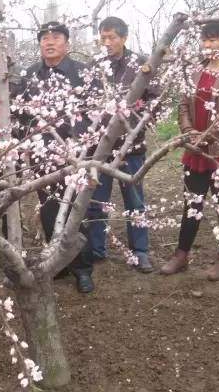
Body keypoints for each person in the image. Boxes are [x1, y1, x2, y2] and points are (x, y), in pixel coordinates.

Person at [159, 22, 219, 281]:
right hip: (195, 147)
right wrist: (189, 132)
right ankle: (181, 254)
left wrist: (207, 137)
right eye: (205, 40)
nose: (208, 45)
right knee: (192, 202)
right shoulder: (196, 70)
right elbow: (184, 103)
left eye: (214, 40)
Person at [23, 21, 95, 293]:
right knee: (50, 207)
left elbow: (94, 113)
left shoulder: (82, 73)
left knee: (78, 210)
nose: (49, 42)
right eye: (44, 38)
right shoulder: (31, 75)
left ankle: (82, 267)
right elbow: (22, 115)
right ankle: (58, 265)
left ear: (67, 43)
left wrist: (77, 140)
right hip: (43, 153)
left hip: (75, 153)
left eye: (55, 37)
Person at [87, 17, 156, 272]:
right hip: (101, 145)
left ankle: (140, 251)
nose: (107, 43)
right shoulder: (95, 65)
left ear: (124, 38)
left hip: (131, 146)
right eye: (103, 38)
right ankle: (96, 249)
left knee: (135, 199)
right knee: (97, 199)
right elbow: (85, 103)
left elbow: (154, 102)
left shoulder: (139, 65)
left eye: (112, 37)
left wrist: (135, 124)